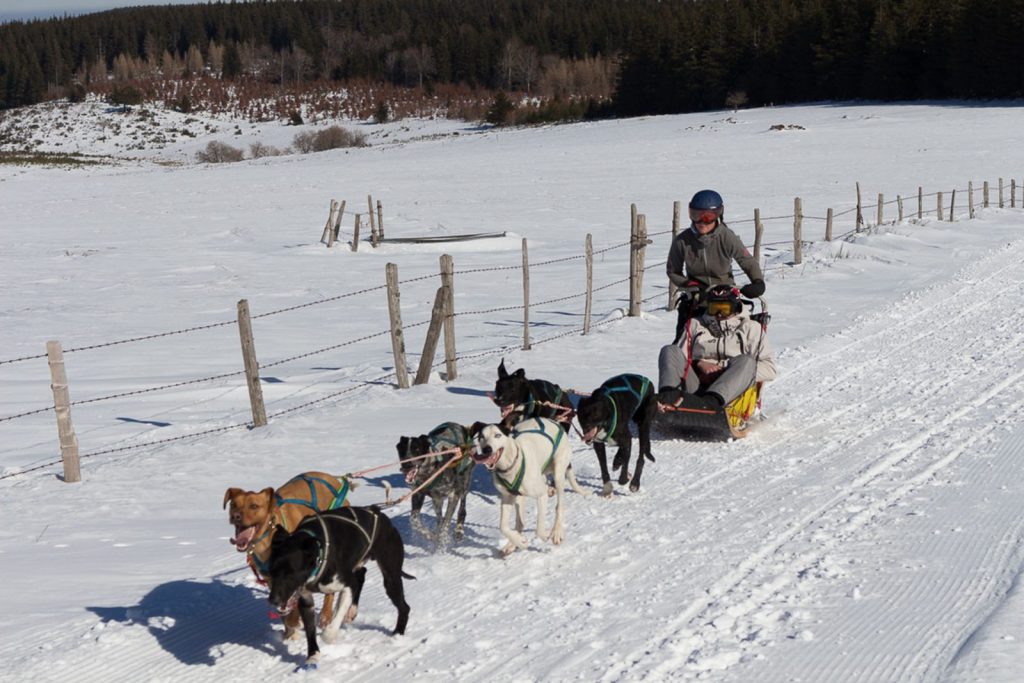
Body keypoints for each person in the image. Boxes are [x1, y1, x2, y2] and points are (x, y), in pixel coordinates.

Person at [657, 284, 777, 411]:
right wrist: (699, 364)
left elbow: (769, 369)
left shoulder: (751, 328)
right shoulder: (695, 324)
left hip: (731, 394)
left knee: (747, 361)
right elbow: (679, 359)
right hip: (697, 385)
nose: (718, 314)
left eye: (724, 309)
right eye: (714, 308)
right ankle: (668, 397)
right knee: (670, 350)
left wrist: (726, 370)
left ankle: (711, 404)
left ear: (736, 308)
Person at [667, 189, 765, 342]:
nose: (701, 222)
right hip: (696, 299)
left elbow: (747, 261)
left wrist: (757, 281)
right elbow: (673, 271)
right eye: (696, 216)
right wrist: (691, 286)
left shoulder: (726, 237)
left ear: (718, 215)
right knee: (682, 342)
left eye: (707, 217)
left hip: (725, 300)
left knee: (738, 340)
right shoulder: (682, 241)